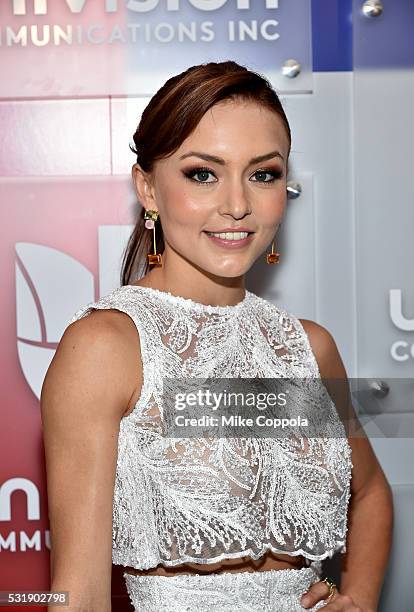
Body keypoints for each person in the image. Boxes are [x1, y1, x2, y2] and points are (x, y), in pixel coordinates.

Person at [40, 61, 393, 612]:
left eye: (263, 173)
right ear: (148, 189)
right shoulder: (108, 348)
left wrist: (361, 599)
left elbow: (369, 494)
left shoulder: (308, 348)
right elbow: (77, 595)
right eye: (203, 173)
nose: (237, 204)